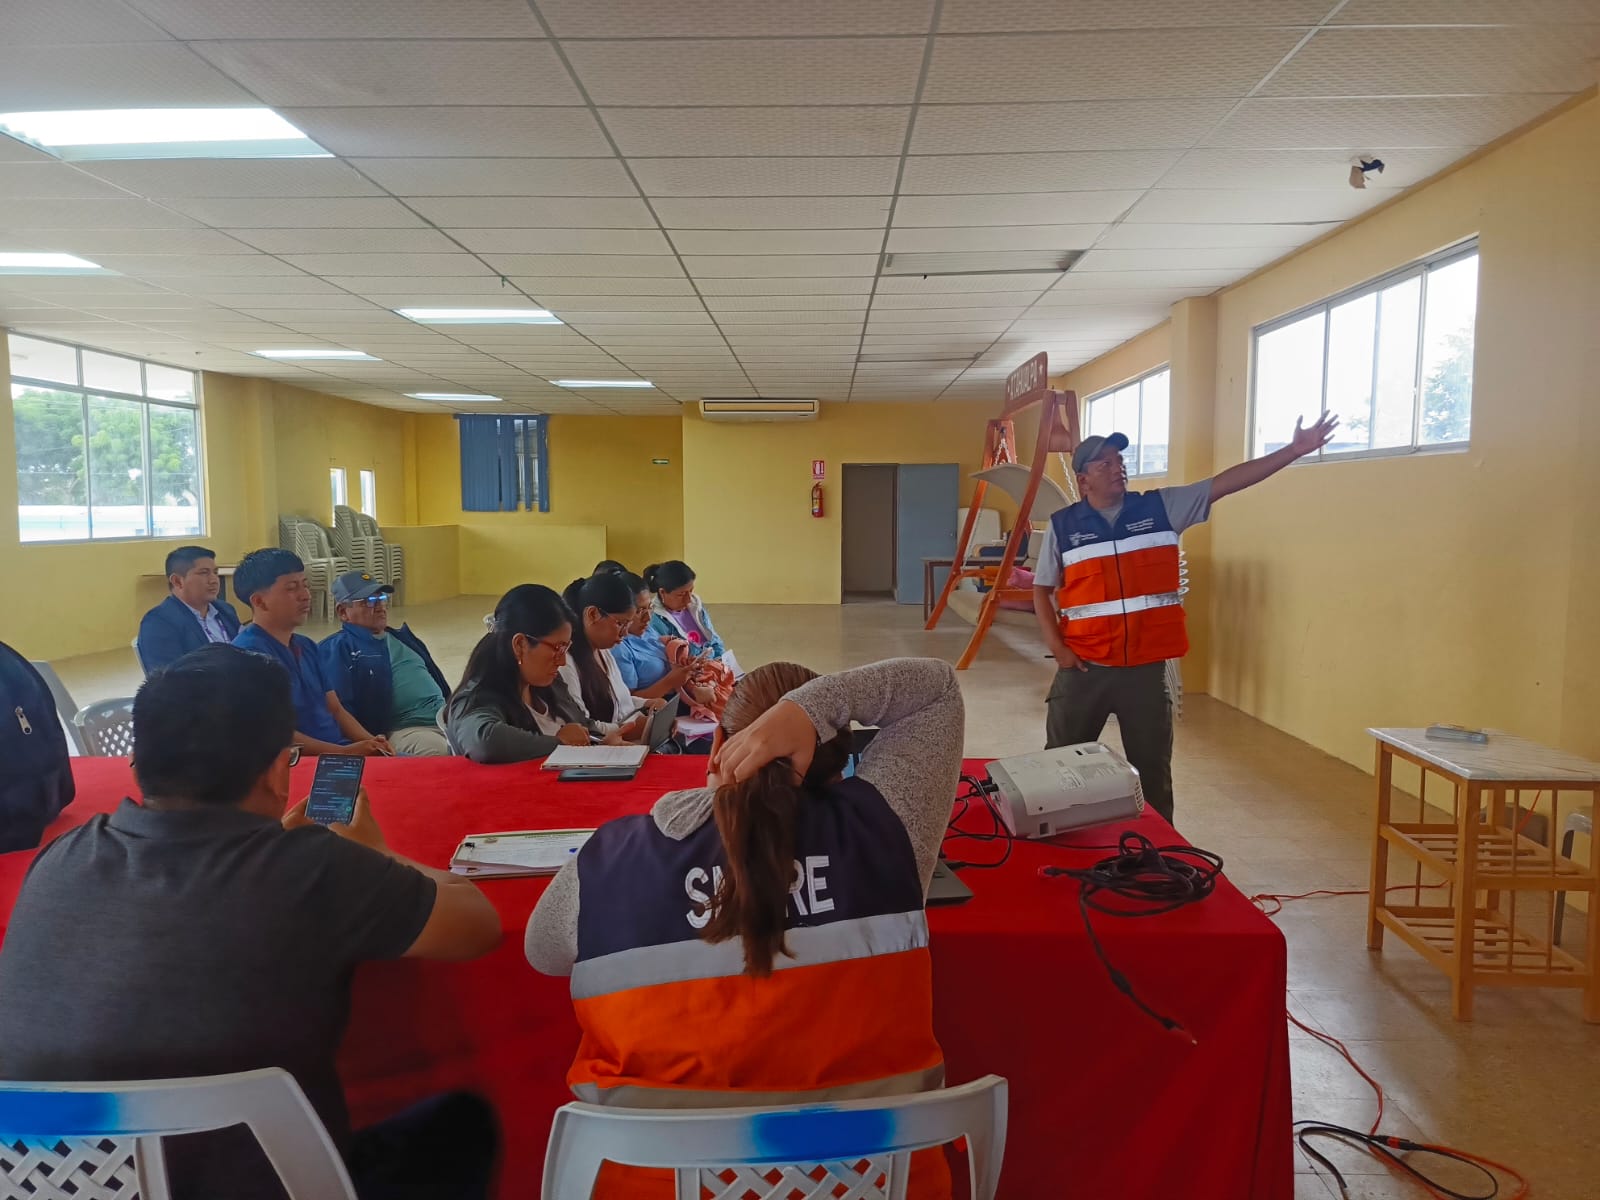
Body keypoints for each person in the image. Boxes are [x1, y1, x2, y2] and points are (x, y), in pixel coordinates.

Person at [0, 644, 501, 1200]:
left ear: (139, 763)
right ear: (277, 772)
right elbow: (477, 924)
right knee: (460, 1123)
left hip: (56, 1183)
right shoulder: (313, 871)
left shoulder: (61, 859)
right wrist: (375, 854)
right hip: (279, 1185)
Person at [525, 657, 963, 1197]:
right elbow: (937, 688)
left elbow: (542, 952)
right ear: (838, 761)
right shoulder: (890, 827)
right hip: (881, 1182)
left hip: (652, 1185)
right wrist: (811, 710)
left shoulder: (609, 861)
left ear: (716, 746)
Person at [1032, 415, 1338, 824]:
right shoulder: (1063, 526)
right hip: (1084, 669)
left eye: (1119, 460)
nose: (1117, 468)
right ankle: (1058, 846)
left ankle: (1158, 853)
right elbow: (1041, 590)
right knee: (1060, 768)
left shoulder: (1161, 509)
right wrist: (1059, 650)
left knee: (1152, 774)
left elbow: (1225, 483)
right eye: (1104, 463)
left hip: (1144, 672)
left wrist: (1293, 451)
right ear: (1083, 479)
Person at [232, 548, 391, 757]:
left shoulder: (306, 646)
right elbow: (273, 733)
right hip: (300, 763)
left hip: (338, 751)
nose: (305, 596)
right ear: (260, 601)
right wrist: (344, 753)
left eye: (305, 585)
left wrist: (372, 742)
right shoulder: (247, 655)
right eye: (291, 588)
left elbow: (335, 709)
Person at [445, 584, 615, 763]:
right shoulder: (475, 699)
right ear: (520, 645)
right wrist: (559, 744)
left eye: (566, 648)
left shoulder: (549, 684)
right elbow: (485, 743)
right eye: (557, 648)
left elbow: (581, 726)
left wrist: (605, 743)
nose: (562, 661)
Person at [319, 571, 453, 756]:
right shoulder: (337, 649)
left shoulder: (403, 638)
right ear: (343, 612)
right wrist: (373, 744)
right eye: (369, 601)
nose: (380, 607)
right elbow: (339, 711)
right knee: (441, 752)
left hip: (448, 718)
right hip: (405, 730)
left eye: (381, 598)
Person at [559, 574, 664, 743]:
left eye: (628, 624)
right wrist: (629, 729)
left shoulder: (603, 651)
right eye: (620, 623)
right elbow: (582, 726)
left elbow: (618, 699)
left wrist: (646, 703)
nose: (625, 632)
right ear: (593, 614)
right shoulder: (566, 662)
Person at [136, 545, 240, 672]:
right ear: (177, 581)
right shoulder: (158, 622)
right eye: (204, 573)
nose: (214, 580)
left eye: (215, 573)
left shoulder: (226, 610)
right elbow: (167, 679)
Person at [644, 560, 728, 661]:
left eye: (691, 591)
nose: (688, 599)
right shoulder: (656, 621)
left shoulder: (695, 605)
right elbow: (674, 658)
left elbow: (713, 638)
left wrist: (721, 658)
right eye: (681, 594)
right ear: (662, 592)